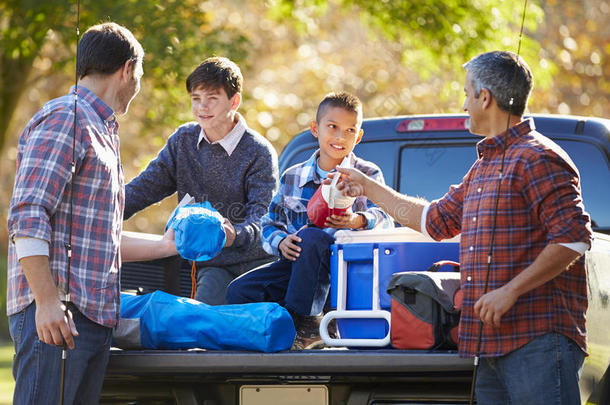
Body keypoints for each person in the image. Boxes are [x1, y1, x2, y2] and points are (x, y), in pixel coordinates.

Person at [330, 51, 592, 403]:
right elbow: (433, 221)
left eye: (467, 93)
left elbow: (573, 239)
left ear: (485, 97)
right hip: (489, 344)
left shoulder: (539, 157)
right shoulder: (483, 167)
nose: (464, 103)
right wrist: (368, 186)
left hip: (538, 341)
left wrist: (509, 291)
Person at [6, 22, 178, 405]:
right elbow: (27, 215)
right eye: (141, 74)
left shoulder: (100, 129)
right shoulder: (66, 118)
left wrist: (168, 245)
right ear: (127, 69)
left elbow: (102, 239)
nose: (139, 84)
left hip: (88, 319)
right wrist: (48, 303)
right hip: (57, 317)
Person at [226, 92, 393, 349]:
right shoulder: (293, 176)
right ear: (315, 129)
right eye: (332, 127)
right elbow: (270, 222)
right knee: (239, 291)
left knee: (313, 236)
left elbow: (384, 218)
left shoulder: (368, 174)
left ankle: (306, 327)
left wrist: (356, 221)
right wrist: (281, 242)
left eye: (349, 130)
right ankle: (278, 329)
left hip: (345, 273)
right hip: (298, 271)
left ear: (358, 137)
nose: (340, 137)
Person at [123, 57, 278, 305]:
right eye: (196, 99)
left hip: (257, 264)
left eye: (212, 98)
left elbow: (263, 218)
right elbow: (144, 188)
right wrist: (100, 212)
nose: (202, 107)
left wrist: (234, 236)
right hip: (213, 264)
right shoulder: (183, 140)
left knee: (244, 331)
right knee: (202, 324)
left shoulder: (258, 151)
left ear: (234, 101)